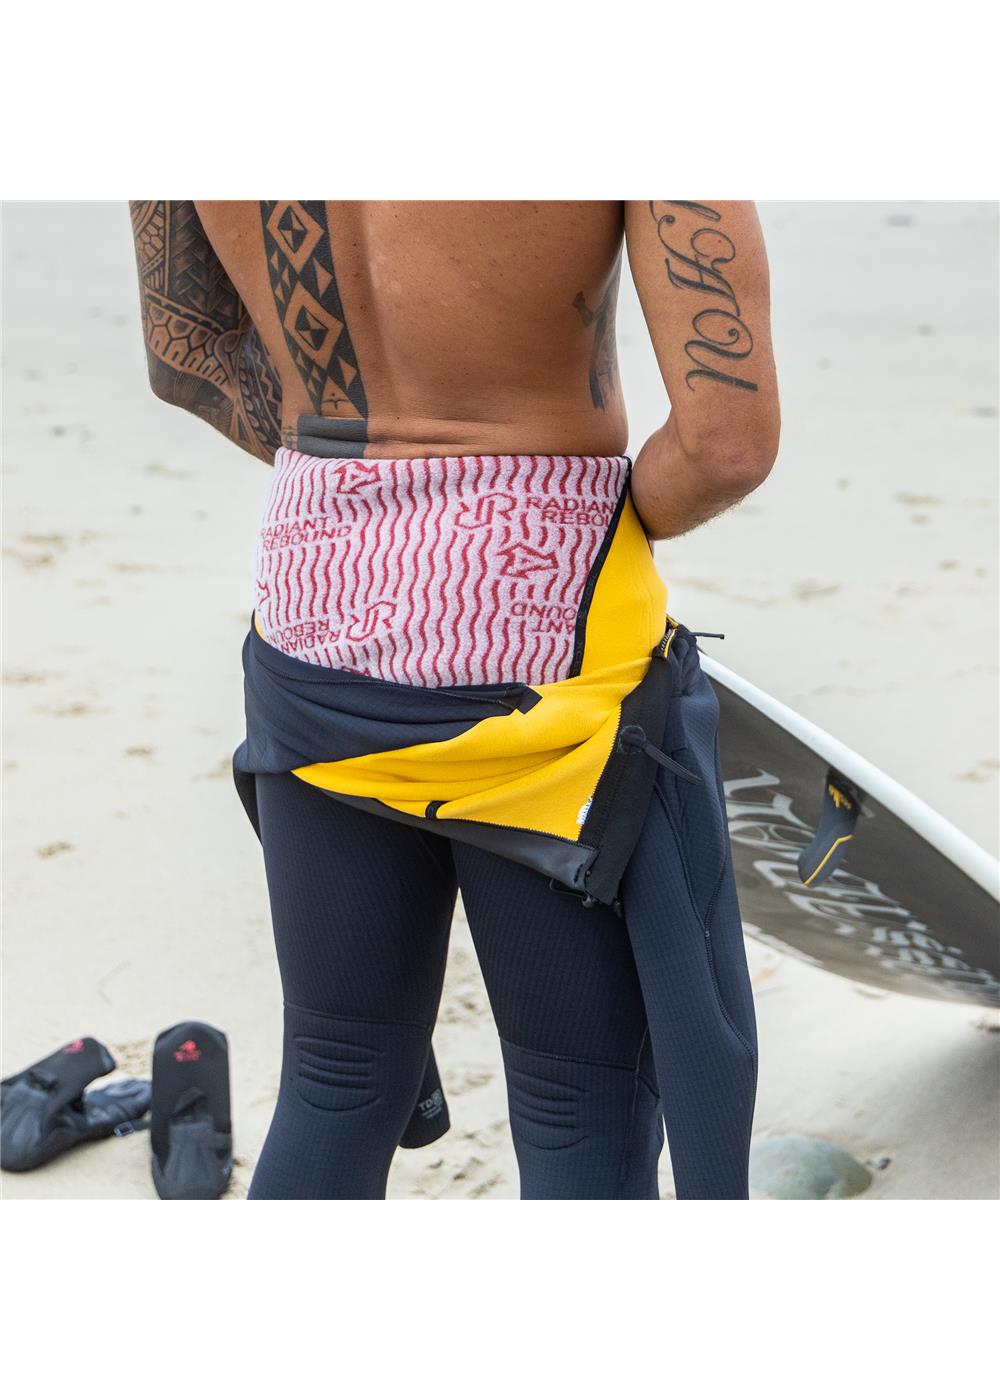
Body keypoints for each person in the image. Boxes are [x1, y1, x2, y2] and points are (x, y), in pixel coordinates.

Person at [129, 200, 780, 1199]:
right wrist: (542, 522)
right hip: (540, 619)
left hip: (318, 580)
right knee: (580, 1107)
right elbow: (725, 444)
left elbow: (187, 352)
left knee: (336, 1076)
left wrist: (370, 480)